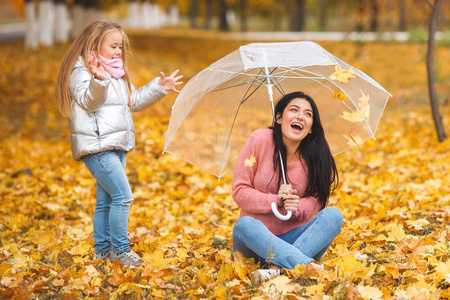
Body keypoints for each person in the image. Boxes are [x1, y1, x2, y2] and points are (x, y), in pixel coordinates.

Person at [56, 20, 183, 267]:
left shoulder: (114, 70)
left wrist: (159, 87)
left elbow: (132, 101)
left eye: (120, 47)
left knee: (106, 200)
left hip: (116, 145)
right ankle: (121, 251)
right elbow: (89, 102)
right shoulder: (82, 72)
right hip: (98, 147)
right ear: (94, 44)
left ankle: (102, 250)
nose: (118, 52)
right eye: (113, 46)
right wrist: (99, 80)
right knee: (123, 197)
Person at [231, 91, 343, 283]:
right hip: (255, 244)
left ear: (310, 128)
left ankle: (277, 271)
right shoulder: (259, 141)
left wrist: (297, 206)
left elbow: (317, 200)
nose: (301, 116)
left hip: (299, 241)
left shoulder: (316, 156)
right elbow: (240, 190)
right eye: (294, 110)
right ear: (279, 118)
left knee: (334, 216)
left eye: (308, 114)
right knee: (244, 225)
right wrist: (276, 200)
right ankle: (305, 266)